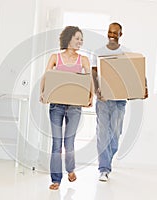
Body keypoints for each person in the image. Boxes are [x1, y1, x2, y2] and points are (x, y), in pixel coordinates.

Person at [92, 22, 148, 182]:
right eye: (110, 32)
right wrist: (97, 91)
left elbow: (138, 72)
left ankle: (107, 162)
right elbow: (94, 73)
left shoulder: (126, 53)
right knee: (103, 133)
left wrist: (144, 87)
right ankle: (103, 169)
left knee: (115, 134)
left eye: (115, 33)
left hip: (120, 101)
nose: (112, 35)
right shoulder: (99, 52)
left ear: (120, 35)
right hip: (103, 100)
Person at [40, 26, 92, 190]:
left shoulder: (83, 60)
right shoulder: (55, 57)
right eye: (77, 38)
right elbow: (47, 75)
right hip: (56, 105)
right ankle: (56, 179)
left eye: (81, 39)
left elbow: (89, 79)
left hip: (75, 106)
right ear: (68, 39)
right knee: (57, 143)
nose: (80, 42)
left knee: (69, 142)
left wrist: (91, 96)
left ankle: (70, 169)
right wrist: (43, 92)